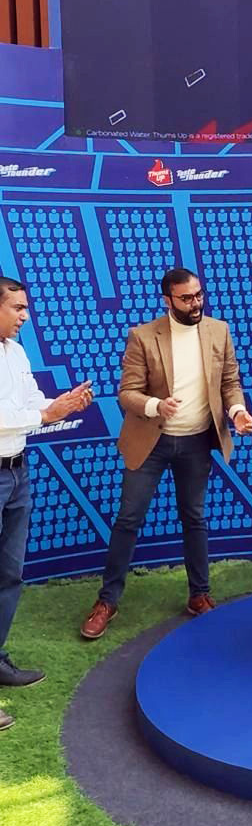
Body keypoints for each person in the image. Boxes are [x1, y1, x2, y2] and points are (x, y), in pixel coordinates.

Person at [80, 268, 252, 639]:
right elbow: (127, 393)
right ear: (167, 300)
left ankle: (199, 595)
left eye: (199, 295)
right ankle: (107, 601)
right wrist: (156, 406)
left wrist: (237, 411)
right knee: (129, 519)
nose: (196, 303)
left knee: (195, 518)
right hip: (151, 442)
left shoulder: (218, 331)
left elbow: (229, 381)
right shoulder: (143, 336)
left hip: (196, 442)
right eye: (186, 298)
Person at [0, 275, 93, 731]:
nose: (25, 316)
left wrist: (63, 403)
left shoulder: (15, 352)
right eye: (17, 308)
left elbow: (33, 402)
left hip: (17, 472)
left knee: (8, 573)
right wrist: (45, 414)